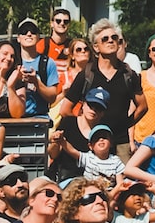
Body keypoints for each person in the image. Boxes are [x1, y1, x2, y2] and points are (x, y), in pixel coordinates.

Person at [61, 22, 147, 154]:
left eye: (114, 38)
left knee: (123, 175)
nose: (110, 41)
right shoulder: (86, 75)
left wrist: (126, 124)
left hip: (120, 141)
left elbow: (143, 106)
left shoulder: (129, 75)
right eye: (105, 39)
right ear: (96, 47)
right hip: (92, 142)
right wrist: (82, 128)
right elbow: (65, 110)